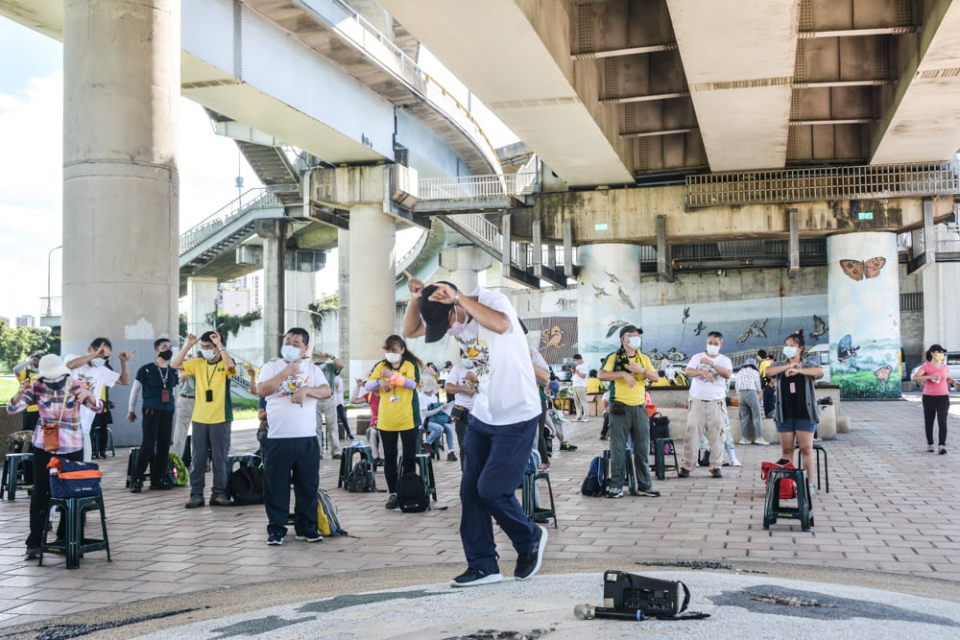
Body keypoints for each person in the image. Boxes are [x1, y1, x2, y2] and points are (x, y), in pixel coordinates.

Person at [404, 277, 547, 588]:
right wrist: (417, 299)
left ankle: (529, 538)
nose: (451, 330)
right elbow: (409, 331)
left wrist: (458, 297)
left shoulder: (492, 301)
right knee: (470, 492)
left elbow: (500, 325)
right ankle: (483, 565)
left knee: (492, 490)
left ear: (456, 305)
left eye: (449, 322)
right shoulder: (455, 317)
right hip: (483, 414)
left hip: (517, 414)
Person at [7, 355, 101, 560]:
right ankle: (34, 543)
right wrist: (19, 394)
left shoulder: (76, 385)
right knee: (42, 492)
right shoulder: (36, 387)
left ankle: (68, 536)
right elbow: (13, 408)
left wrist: (89, 394)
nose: (52, 382)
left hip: (71, 446)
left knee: (72, 491)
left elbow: (98, 407)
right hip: (46, 446)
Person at [257, 327, 332, 545]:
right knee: (276, 486)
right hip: (278, 438)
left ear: (305, 348)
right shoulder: (271, 366)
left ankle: (306, 527)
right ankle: (276, 529)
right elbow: (262, 390)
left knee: (307, 485)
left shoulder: (312, 370)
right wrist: (286, 372)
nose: (290, 345)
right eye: (287, 341)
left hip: (306, 437)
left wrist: (306, 391)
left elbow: (326, 391)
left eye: (296, 343)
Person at [171, 330, 236, 508]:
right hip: (200, 418)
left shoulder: (224, 362)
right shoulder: (197, 363)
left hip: (221, 417)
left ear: (216, 348)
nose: (205, 350)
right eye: (204, 347)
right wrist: (188, 345)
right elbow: (175, 364)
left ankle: (219, 493)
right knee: (198, 458)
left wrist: (220, 345)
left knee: (219, 458)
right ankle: (196, 494)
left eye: (209, 347)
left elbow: (231, 367)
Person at [598, 325, 660, 498]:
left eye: (637, 335)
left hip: (640, 408)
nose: (635, 338)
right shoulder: (614, 357)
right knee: (618, 447)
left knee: (642, 447)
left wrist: (641, 371)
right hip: (619, 407)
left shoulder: (643, 358)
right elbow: (602, 375)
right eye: (631, 335)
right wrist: (622, 374)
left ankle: (645, 485)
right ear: (622, 339)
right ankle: (616, 486)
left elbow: (655, 377)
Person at [363, 335, 422, 510]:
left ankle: (409, 492)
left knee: (409, 457)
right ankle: (394, 493)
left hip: (408, 418)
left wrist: (393, 377)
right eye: (388, 351)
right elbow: (367, 385)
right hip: (387, 420)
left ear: (402, 350)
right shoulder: (381, 365)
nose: (391, 354)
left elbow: (413, 384)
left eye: (394, 351)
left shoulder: (410, 365)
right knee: (390, 458)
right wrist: (379, 381)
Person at [765, 331, 823, 476]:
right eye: (786, 345)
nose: (788, 348)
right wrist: (788, 368)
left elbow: (819, 372)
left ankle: (808, 483)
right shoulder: (780, 365)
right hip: (785, 413)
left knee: (806, 448)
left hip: (805, 412)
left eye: (792, 345)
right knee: (787, 450)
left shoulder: (809, 364)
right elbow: (768, 371)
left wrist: (799, 371)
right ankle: (788, 482)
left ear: (800, 348)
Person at [64, 338, 132, 461]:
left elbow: (125, 381)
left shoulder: (102, 371)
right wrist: (94, 355)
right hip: (65, 427)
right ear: (90, 348)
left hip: (84, 428)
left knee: (84, 466)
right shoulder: (73, 358)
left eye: (105, 357)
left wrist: (124, 362)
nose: (101, 358)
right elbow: (70, 365)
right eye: (100, 353)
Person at [126, 338, 180, 492]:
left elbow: (174, 391)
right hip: (151, 410)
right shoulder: (146, 369)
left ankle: (158, 478)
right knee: (148, 444)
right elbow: (135, 390)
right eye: (164, 347)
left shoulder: (172, 371)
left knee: (164, 445)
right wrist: (131, 410)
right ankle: (137, 479)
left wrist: (173, 407)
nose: (167, 350)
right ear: (156, 351)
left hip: (167, 410)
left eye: (170, 347)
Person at [680, 331, 733, 479]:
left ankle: (716, 466)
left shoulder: (724, 360)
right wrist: (701, 370)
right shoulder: (697, 357)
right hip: (697, 402)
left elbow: (728, 375)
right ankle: (687, 466)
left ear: (721, 345)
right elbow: (688, 371)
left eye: (716, 344)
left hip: (716, 403)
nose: (712, 346)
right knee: (691, 434)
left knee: (717, 436)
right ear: (706, 343)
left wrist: (712, 364)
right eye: (710, 343)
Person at [912, 344, 956, 454]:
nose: (941, 354)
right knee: (929, 421)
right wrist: (929, 377)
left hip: (943, 397)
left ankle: (942, 445)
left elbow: (947, 378)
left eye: (942, 352)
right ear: (932, 353)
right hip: (929, 397)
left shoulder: (945, 367)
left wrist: (952, 381)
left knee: (942, 421)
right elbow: (915, 378)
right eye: (938, 352)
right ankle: (930, 444)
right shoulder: (926, 367)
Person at [445, 352, 478, 469]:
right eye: (464, 357)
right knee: (465, 446)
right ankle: (467, 476)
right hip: (462, 412)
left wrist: (476, 380)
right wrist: (464, 389)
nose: (468, 359)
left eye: (470, 356)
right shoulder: (457, 369)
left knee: (481, 446)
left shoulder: (483, 368)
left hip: (481, 413)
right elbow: (448, 387)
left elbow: (493, 386)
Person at [314, 353, 344, 459]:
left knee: (332, 425)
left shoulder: (330, 366)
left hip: (328, 398)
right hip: (315, 399)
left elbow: (341, 366)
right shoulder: (311, 367)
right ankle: (318, 452)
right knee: (316, 427)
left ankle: (336, 451)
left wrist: (332, 356)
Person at [172, 353, 197, 463]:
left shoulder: (201, 366)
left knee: (200, 432)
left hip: (200, 400)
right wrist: (188, 366)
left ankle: (201, 460)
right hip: (185, 398)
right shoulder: (184, 368)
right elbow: (182, 379)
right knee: (180, 432)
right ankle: (176, 461)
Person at [736, 358, 768, 445]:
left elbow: (736, 385)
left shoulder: (739, 372)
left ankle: (744, 438)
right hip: (751, 392)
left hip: (741, 394)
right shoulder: (754, 372)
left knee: (744, 416)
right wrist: (760, 392)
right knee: (756, 415)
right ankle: (759, 437)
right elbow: (758, 385)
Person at [334, 374, 355, 441]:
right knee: (333, 419)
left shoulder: (338, 379)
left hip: (339, 402)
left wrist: (335, 385)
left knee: (343, 417)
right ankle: (334, 435)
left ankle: (349, 433)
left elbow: (339, 389)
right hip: (331, 402)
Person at [570, 354, 589, 422]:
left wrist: (576, 372)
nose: (575, 362)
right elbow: (576, 375)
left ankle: (586, 416)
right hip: (575, 385)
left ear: (579, 359)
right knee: (577, 402)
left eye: (576, 360)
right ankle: (578, 416)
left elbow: (584, 376)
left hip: (580, 385)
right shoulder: (578, 366)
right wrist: (574, 372)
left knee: (583, 401)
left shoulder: (584, 366)